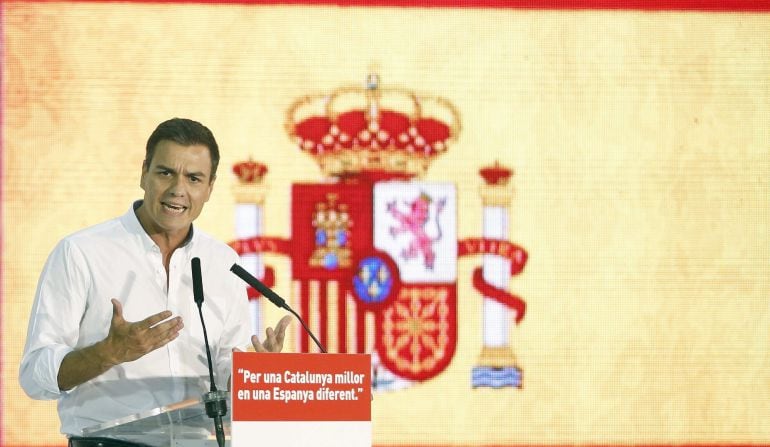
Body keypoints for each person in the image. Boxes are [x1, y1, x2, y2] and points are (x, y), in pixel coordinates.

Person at [19, 118, 290, 444]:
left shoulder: (224, 262)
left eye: (193, 178)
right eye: (165, 173)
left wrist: (252, 375)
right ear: (144, 173)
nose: (178, 189)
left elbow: (225, 372)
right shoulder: (81, 252)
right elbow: (35, 377)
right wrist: (108, 353)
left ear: (209, 188)